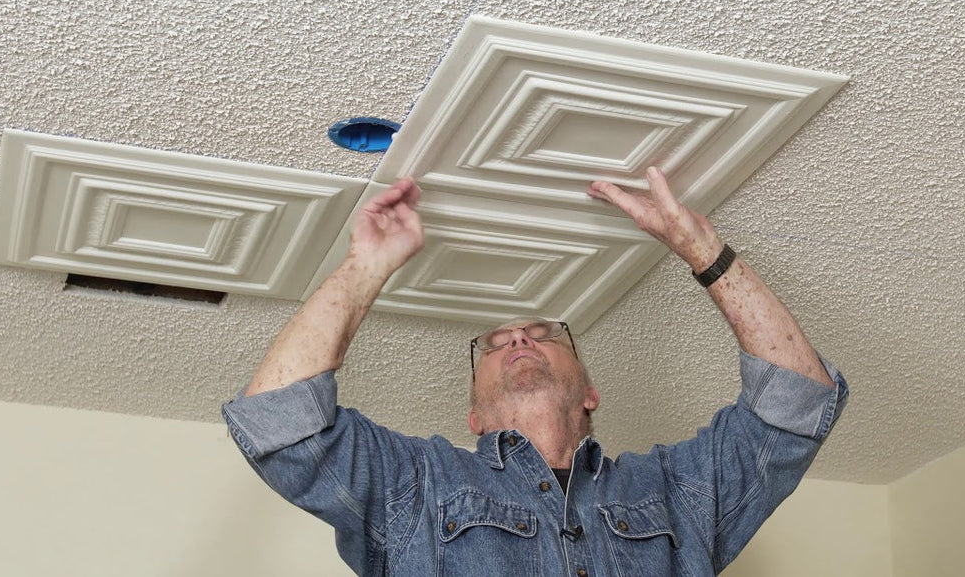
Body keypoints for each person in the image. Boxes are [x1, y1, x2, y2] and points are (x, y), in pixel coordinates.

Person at [222, 167, 848, 576]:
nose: (520, 336)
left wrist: (703, 251)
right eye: (495, 344)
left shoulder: (675, 491)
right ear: (474, 414)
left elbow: (796, 402)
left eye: (545, 334)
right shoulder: (416, 485)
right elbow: (280, 420)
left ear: (591, 392)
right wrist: (365, 267)